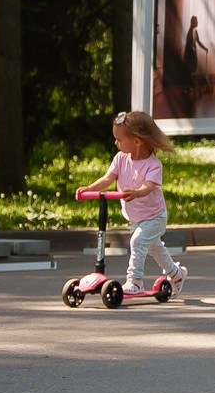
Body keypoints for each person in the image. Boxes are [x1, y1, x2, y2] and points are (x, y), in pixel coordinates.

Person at [79, 110, 187, 297]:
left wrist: (136, 193)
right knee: (154, 248)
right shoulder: (120, 159)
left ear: (136, 141)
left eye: (119, 139)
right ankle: (176, 274)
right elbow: (107, 179)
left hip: (155, 216)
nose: (115, 143)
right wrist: (88, 188)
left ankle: (135, 282)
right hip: (136, 217)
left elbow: (148, 187)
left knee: (137, 242)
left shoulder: (153, 165)